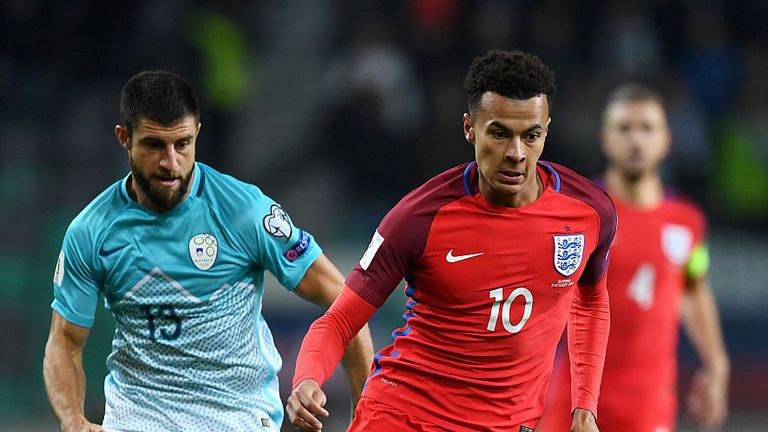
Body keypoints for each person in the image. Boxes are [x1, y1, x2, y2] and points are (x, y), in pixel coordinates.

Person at [286, 49, 617, 432]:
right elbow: (340, 320)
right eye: (499, 134)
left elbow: (591, 301)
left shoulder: (590, 212)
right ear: (469, 128)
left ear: (546, 130)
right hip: (405, 418)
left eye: (531, 136)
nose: (516, 153)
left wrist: (585, 408)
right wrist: (307, 379)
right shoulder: (418, 217)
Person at [42, 71, 374, 432]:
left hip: (236, 416)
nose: (170, 162)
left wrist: (365, 422)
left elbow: (346, 304)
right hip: (136, 418)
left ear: (197, 134)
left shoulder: (244, 211)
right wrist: (72, 420)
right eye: (154, 145)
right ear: (125, 138)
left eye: (182, 144)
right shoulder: (91, 231)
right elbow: (65, 341)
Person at [538, 84, 730, 432]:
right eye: (624, 128)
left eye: (647, 128)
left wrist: (716, 363)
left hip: (648, 407)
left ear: (667, 140)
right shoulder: (577, 214)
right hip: (572, 402)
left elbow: (693, 287)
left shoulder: (687, 223)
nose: (636, 140)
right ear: (605, 139)